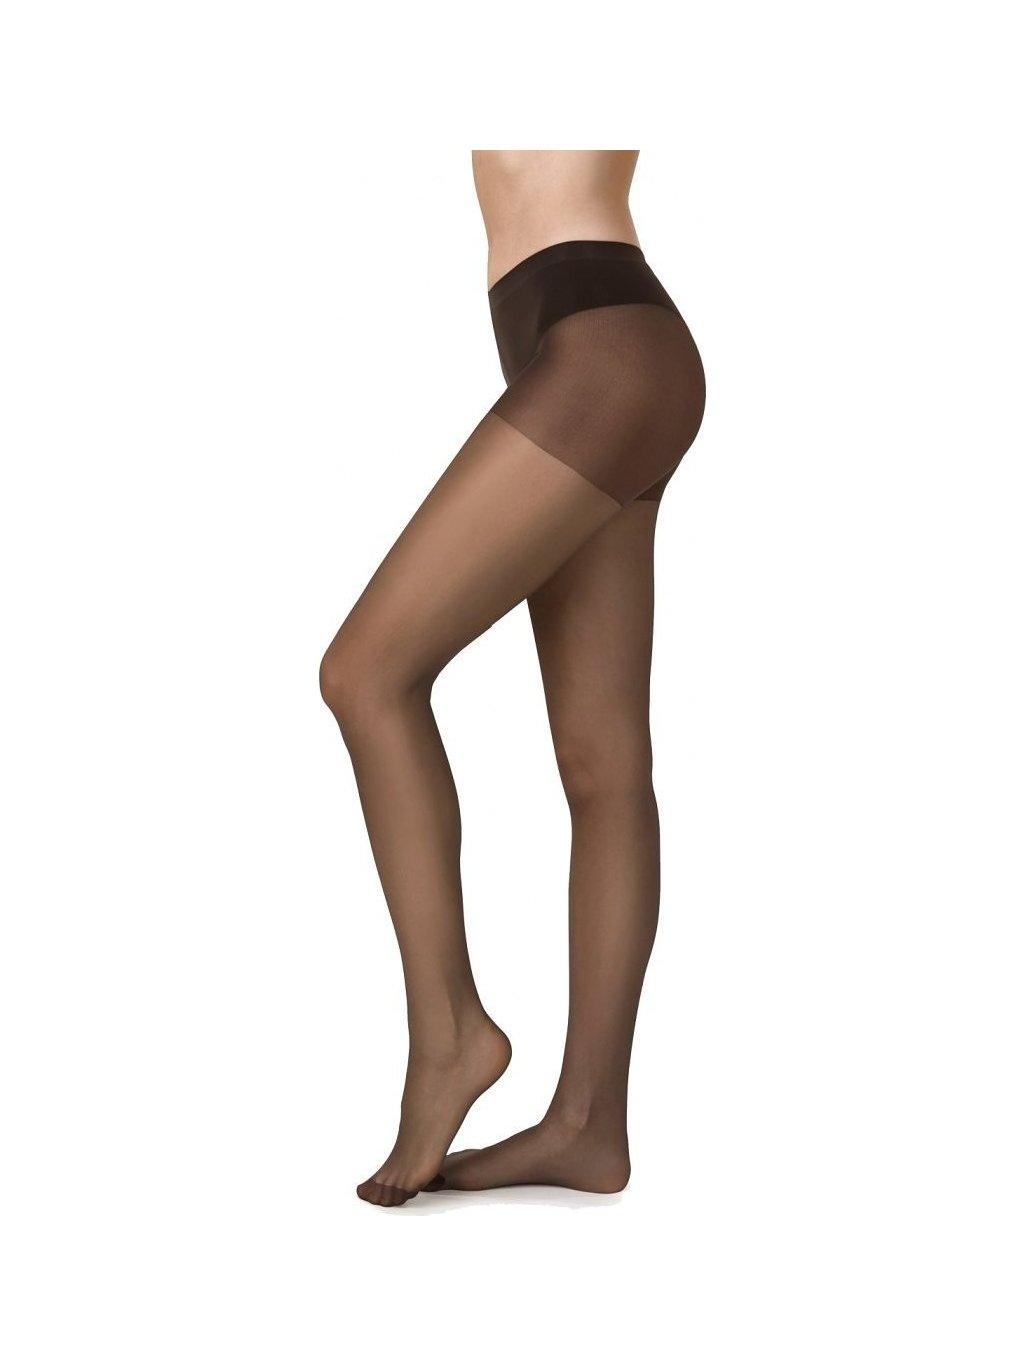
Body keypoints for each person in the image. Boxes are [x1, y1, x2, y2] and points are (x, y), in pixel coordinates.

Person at [319, 150, 706, 1206]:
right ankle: (587, 1126)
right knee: (603, 764)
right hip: (591, 346)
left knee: (366, 674)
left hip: (600, 351)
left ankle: (449, 1034)